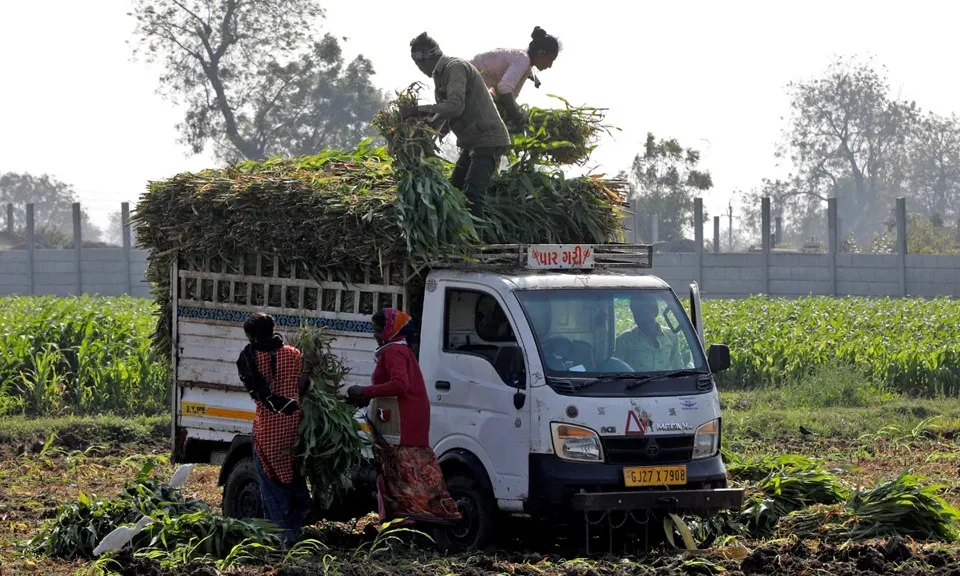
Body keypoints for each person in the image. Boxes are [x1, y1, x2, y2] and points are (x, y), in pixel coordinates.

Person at [345, 308, 461, 525]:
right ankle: (402, 525)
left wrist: (365, 391)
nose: (375, 334)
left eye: (377, 330)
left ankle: (404, 526)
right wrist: (364, 398)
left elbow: (400, 385)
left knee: (401, 478)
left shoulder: (393, 353)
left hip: (401, 424)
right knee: (403, 476)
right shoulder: (399, 351)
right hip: (407, 421)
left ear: (389, 331)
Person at [402, 32, 511, 219]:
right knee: (454, 192)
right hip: (472, 142)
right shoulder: (441, 75)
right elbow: (445, 118)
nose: (420, 69)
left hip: (487, 140)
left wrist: (417, 110)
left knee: (472, 196)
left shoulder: (455, 68)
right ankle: (462, 242)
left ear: (424, 60)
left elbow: (454, 106)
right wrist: (422, 136)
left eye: (418, 65)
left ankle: (478, 247)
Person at [236, 312, 311, 546]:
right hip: (295, 427)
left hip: (268, 428)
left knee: (272, 483)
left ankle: (282, 536)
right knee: (293, 478)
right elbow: (303, 387)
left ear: (251, 336)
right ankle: (295, 530)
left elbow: (255, 390)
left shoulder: (251, 358)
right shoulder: (293, 354)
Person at [471, 26, 562, 129]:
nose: (550, 65)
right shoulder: (523, 59)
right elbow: (504, 90)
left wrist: (520, 115)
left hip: (474, 87)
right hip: (467, 78)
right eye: (550, 59)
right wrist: (519, 117)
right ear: (540, 53)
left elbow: (511, 97)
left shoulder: (526, 67)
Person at [614, 295, 690, 372]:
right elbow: (617, 372)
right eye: (636, 313)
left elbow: (678, 368)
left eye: (644, 312)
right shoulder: (624, 340)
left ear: (655, 312)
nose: (641, 318)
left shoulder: (671, 336)